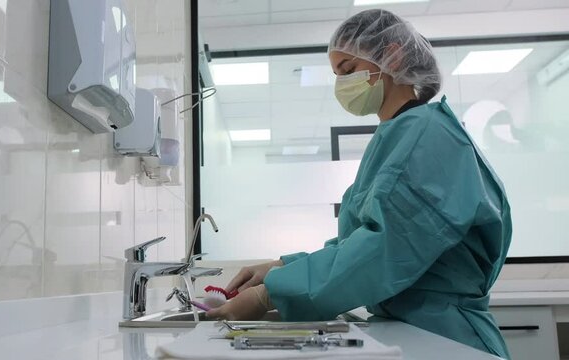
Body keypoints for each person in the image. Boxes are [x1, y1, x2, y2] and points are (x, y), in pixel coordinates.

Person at [206, 9, 512, 359]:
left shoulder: (424, 136)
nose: (341, 84)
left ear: (393, 55)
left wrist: (269, 293)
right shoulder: (398, 135)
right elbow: (360, 241)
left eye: (348, 70)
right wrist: (281, 267)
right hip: (414, 329)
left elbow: (383, 249)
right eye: (337, 75)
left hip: (445, 337)